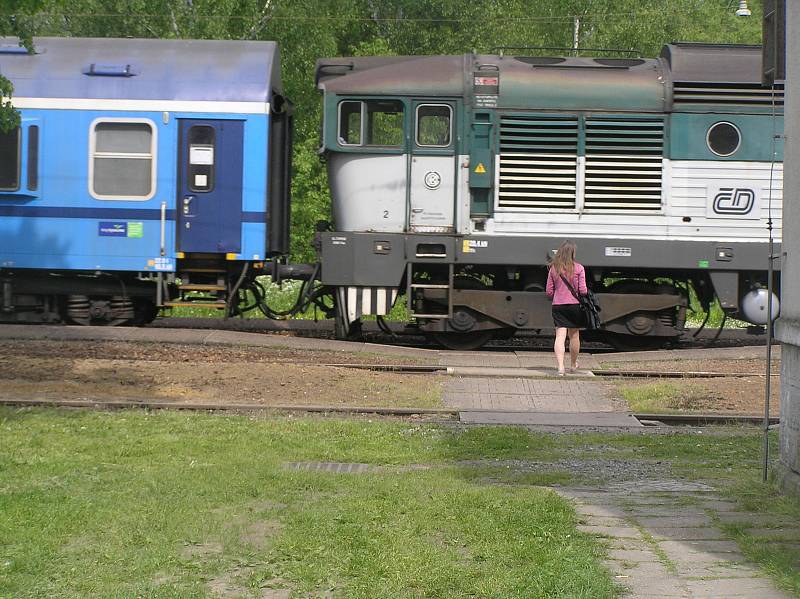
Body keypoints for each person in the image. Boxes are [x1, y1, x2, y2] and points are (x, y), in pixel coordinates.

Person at [545, 240, 588, 376]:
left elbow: (549, 292)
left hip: (558, 306)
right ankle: (573, 365)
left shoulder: (553, 269)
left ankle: (560, 367)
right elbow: (583, 291)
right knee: (574, 336)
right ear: (573, 253)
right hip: (575, 306)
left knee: (560, 336)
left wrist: (558, 296)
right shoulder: (579, 268)